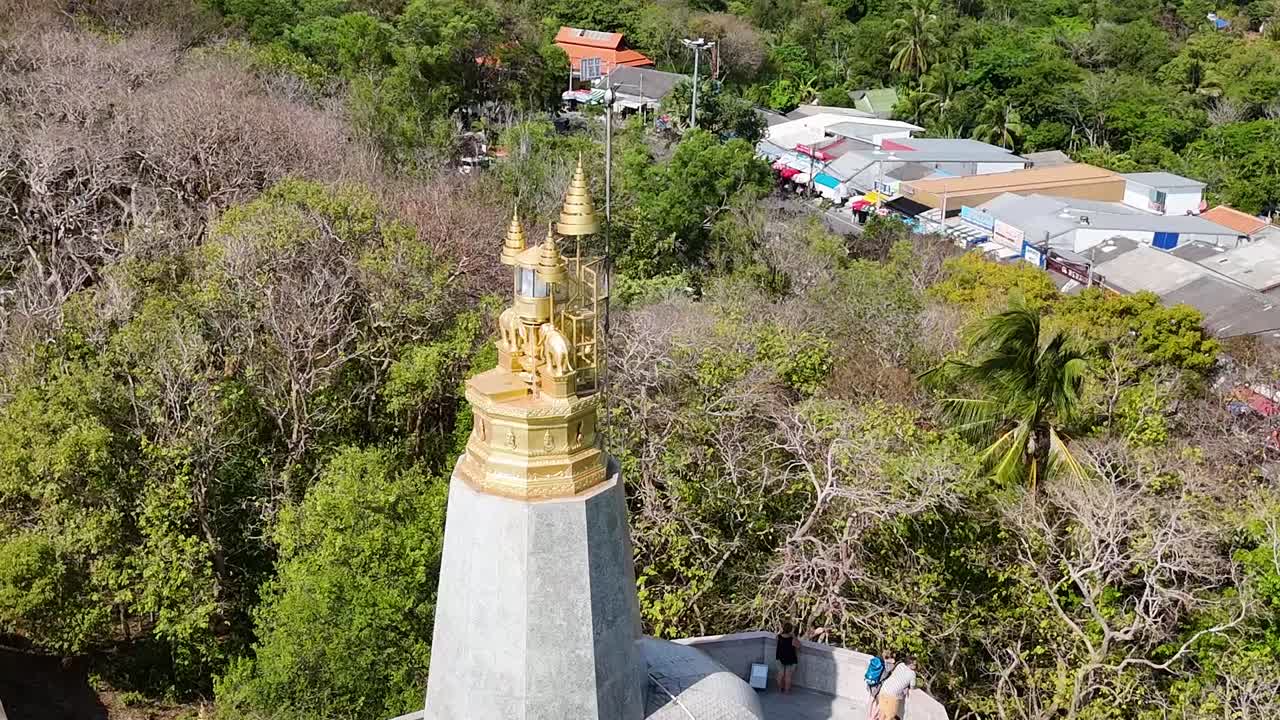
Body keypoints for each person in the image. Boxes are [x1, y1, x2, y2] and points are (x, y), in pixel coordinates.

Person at [876, 653, 916, 720]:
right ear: (911, 664)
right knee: (890, 716)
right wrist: (907, 687)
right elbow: (912, 686)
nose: (916, 666)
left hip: (884, 689)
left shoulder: (900, 665)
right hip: (892, 695)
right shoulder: (912, 673)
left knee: (882, 714)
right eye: (915, 664)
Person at [775, 623, 800, 693]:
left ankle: (780, 689)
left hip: (780, 658)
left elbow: (776, 637)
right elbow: (798, 646)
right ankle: (786, 691)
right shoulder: (792, 639)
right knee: (788, 676)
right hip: (790, 659)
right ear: (791, 630)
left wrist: (780, 631)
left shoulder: (778, 637)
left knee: (780, 674)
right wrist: (794, 635)